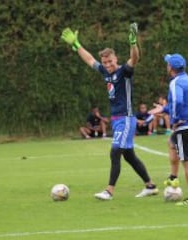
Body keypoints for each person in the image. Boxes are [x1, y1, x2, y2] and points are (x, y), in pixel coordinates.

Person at [61, 23, 158, 200]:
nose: (107, 65)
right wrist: (77, 45)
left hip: (126, 118)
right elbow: (90, 60)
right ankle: (150, 186)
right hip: (117, 119)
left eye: (110, 61)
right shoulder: (105, 73)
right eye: (105, 62)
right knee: (129, 156)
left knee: (115, 152)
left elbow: (134, 58)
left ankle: (109, 190)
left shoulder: (124, 71)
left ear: (116, 59)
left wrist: (133, 43)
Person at [149, 53, 188, 206]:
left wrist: (174, 119)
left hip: (184, 126)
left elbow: (178, 102)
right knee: (171, 142)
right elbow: (182, 102)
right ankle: (173, 178)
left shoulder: (175, 82)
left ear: (170, 68)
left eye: (167, 64)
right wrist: (164, 109)